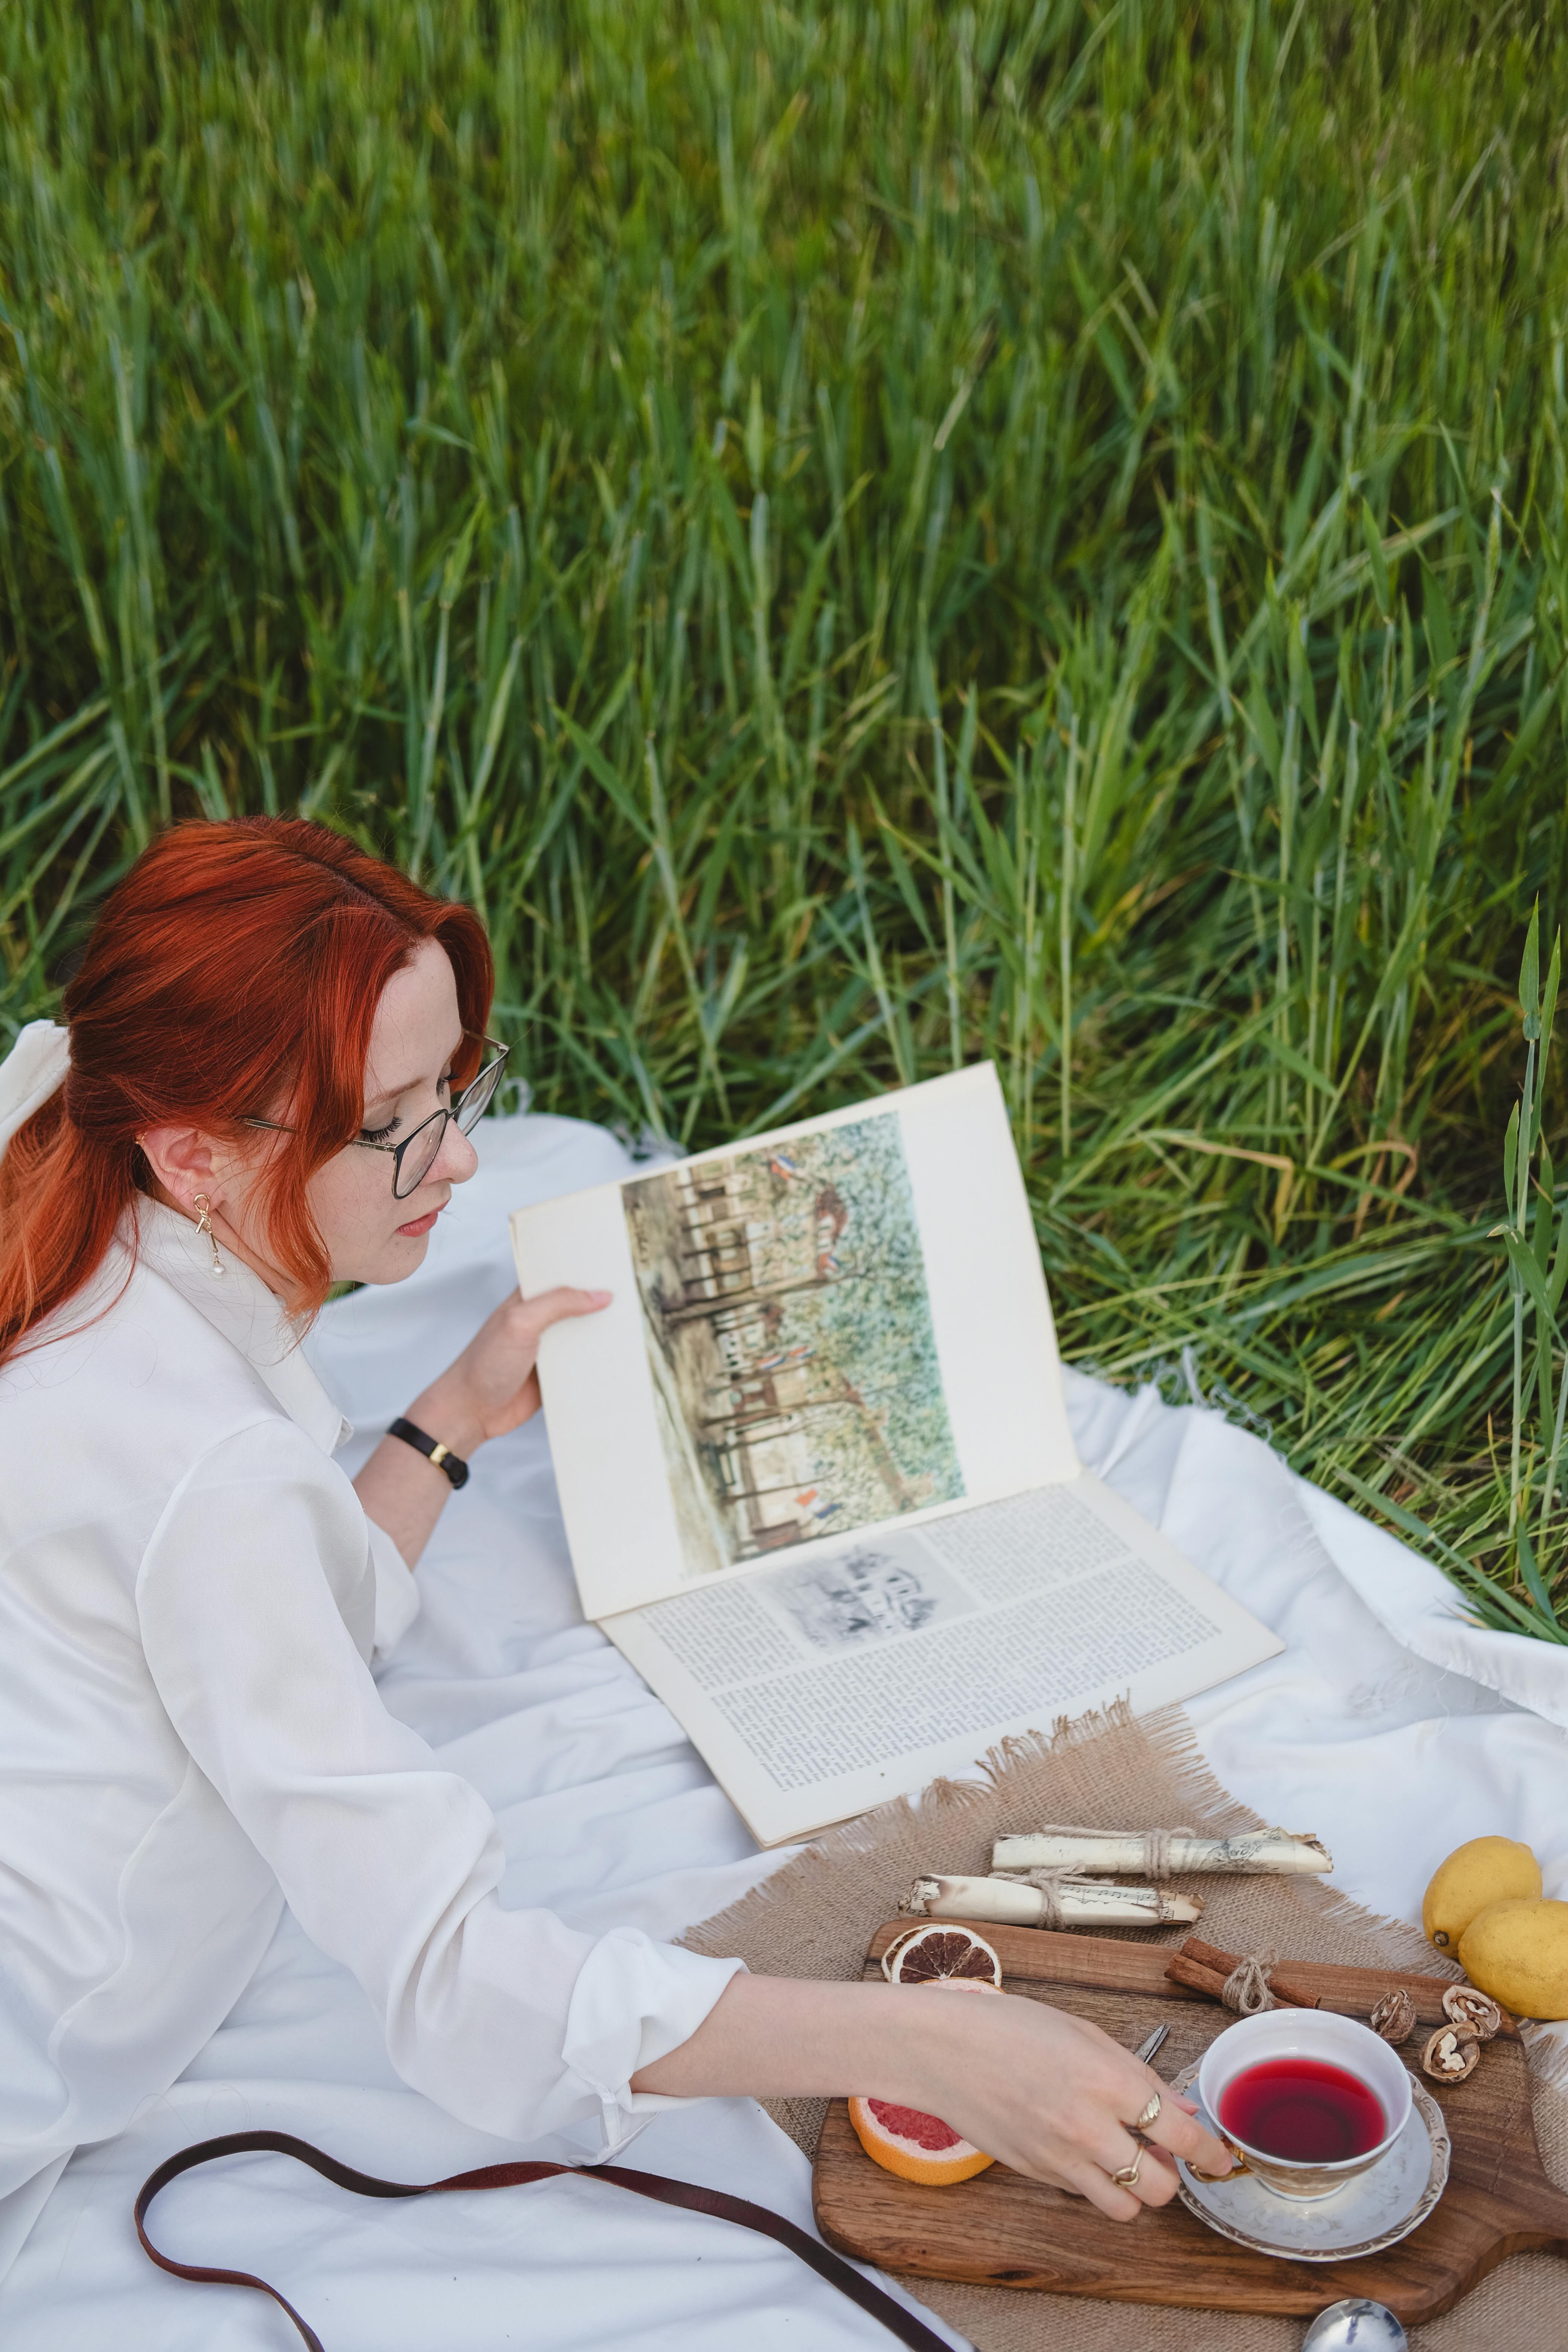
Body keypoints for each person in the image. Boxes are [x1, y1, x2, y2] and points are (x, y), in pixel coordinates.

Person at [0, 816, 1228, 2275]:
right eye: (394, 1119)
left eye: (456, 1081)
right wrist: (930, 2041)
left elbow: (253, 1616)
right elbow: (460, 1982)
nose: (459, 1152)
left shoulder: (64, 1123)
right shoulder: (211, 1473)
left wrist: (449, 1417)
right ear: (194, 1153)